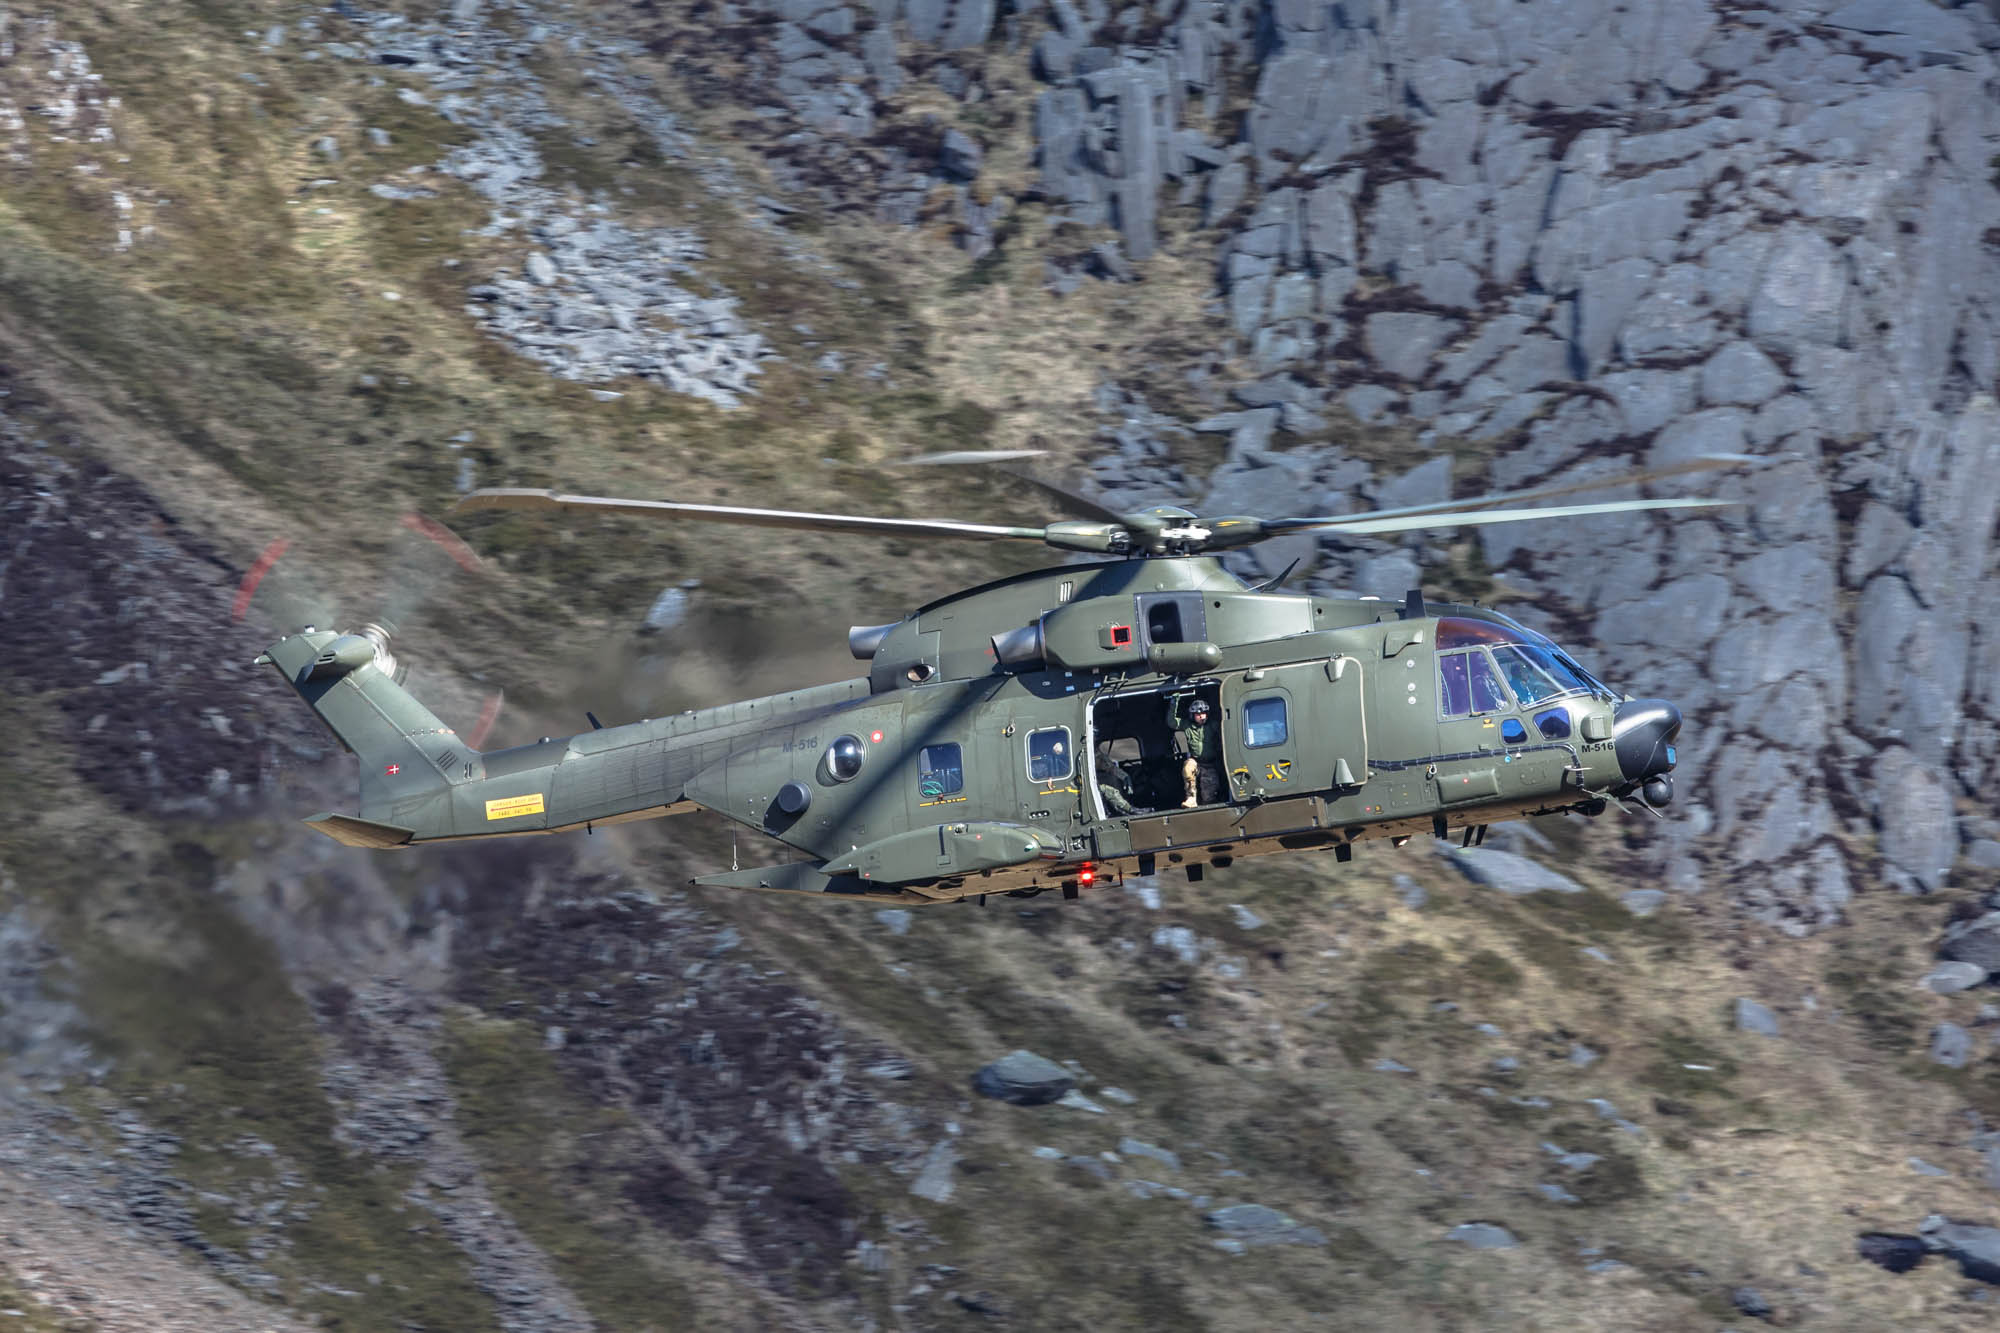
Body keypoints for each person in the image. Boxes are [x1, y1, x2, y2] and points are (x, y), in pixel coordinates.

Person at [1166, 694, 1221, 808]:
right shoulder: (1187, 725)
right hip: (1196, 761)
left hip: (1211, 764)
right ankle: (1191, 798)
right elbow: (1172, 722)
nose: (1202, 716)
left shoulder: (1213, 725)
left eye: (1204, 713)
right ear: (1192, 715)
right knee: (1188, 767)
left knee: (1208, 797)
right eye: (1198, 714)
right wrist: (1174, 702)